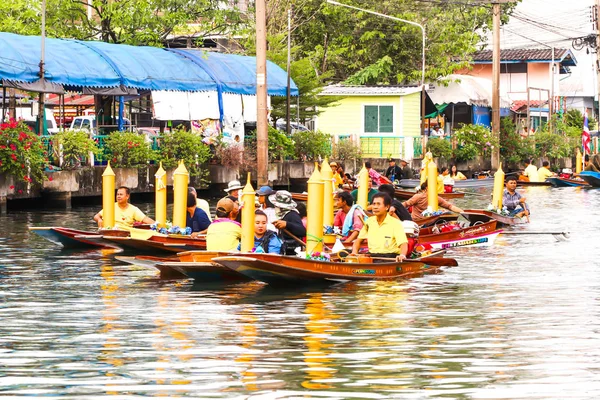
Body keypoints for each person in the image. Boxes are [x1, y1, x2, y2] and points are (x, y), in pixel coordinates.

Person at [351, 193, 409, 262]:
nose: (375, 207)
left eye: (378, 204)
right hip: (372, 256)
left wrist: (402, 255)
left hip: (389, 257)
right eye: (374, 204)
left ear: (387, 207)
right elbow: (358, 241)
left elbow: (403, 243)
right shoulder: (369, 222)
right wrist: (354, 252)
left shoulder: (396, 223)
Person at [269, 190, 306, 255]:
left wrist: (287, 224)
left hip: (292, 250)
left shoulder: (292, 214)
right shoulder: (283, 215)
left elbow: (302, 231)